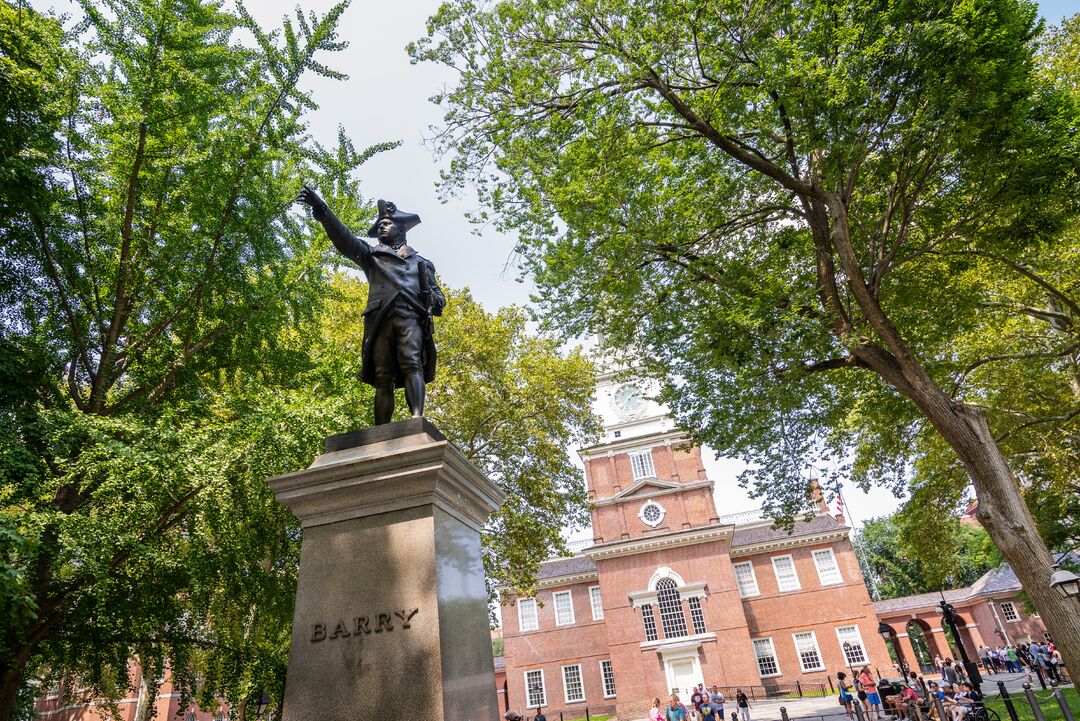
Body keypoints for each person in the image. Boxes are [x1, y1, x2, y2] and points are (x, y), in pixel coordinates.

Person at [297, 189, 446, 425]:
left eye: (386, 223)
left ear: (401, 229)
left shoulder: (422, 263)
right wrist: (322, 210)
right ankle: (381, 429)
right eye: (379, 225)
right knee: (382, 375)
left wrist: (432, 299)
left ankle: (417, 419)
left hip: (410, 317)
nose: (381, 228)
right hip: (380, 320)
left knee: (412, 363)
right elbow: (345, 238)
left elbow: (440, 300)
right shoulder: (371, 256)